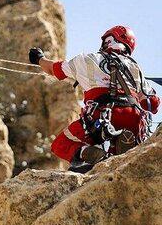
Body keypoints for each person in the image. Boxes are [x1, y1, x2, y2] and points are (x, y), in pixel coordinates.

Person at [29, 25, 160, 173]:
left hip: (102, 116)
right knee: (118, 156)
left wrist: (39, 58)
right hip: (134, 118)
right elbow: (152, 104)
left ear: (107, 41)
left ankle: (88, 154)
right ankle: (122, 143)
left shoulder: (87, 59)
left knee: (60, 144)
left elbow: (53, 69)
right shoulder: (136, 68)